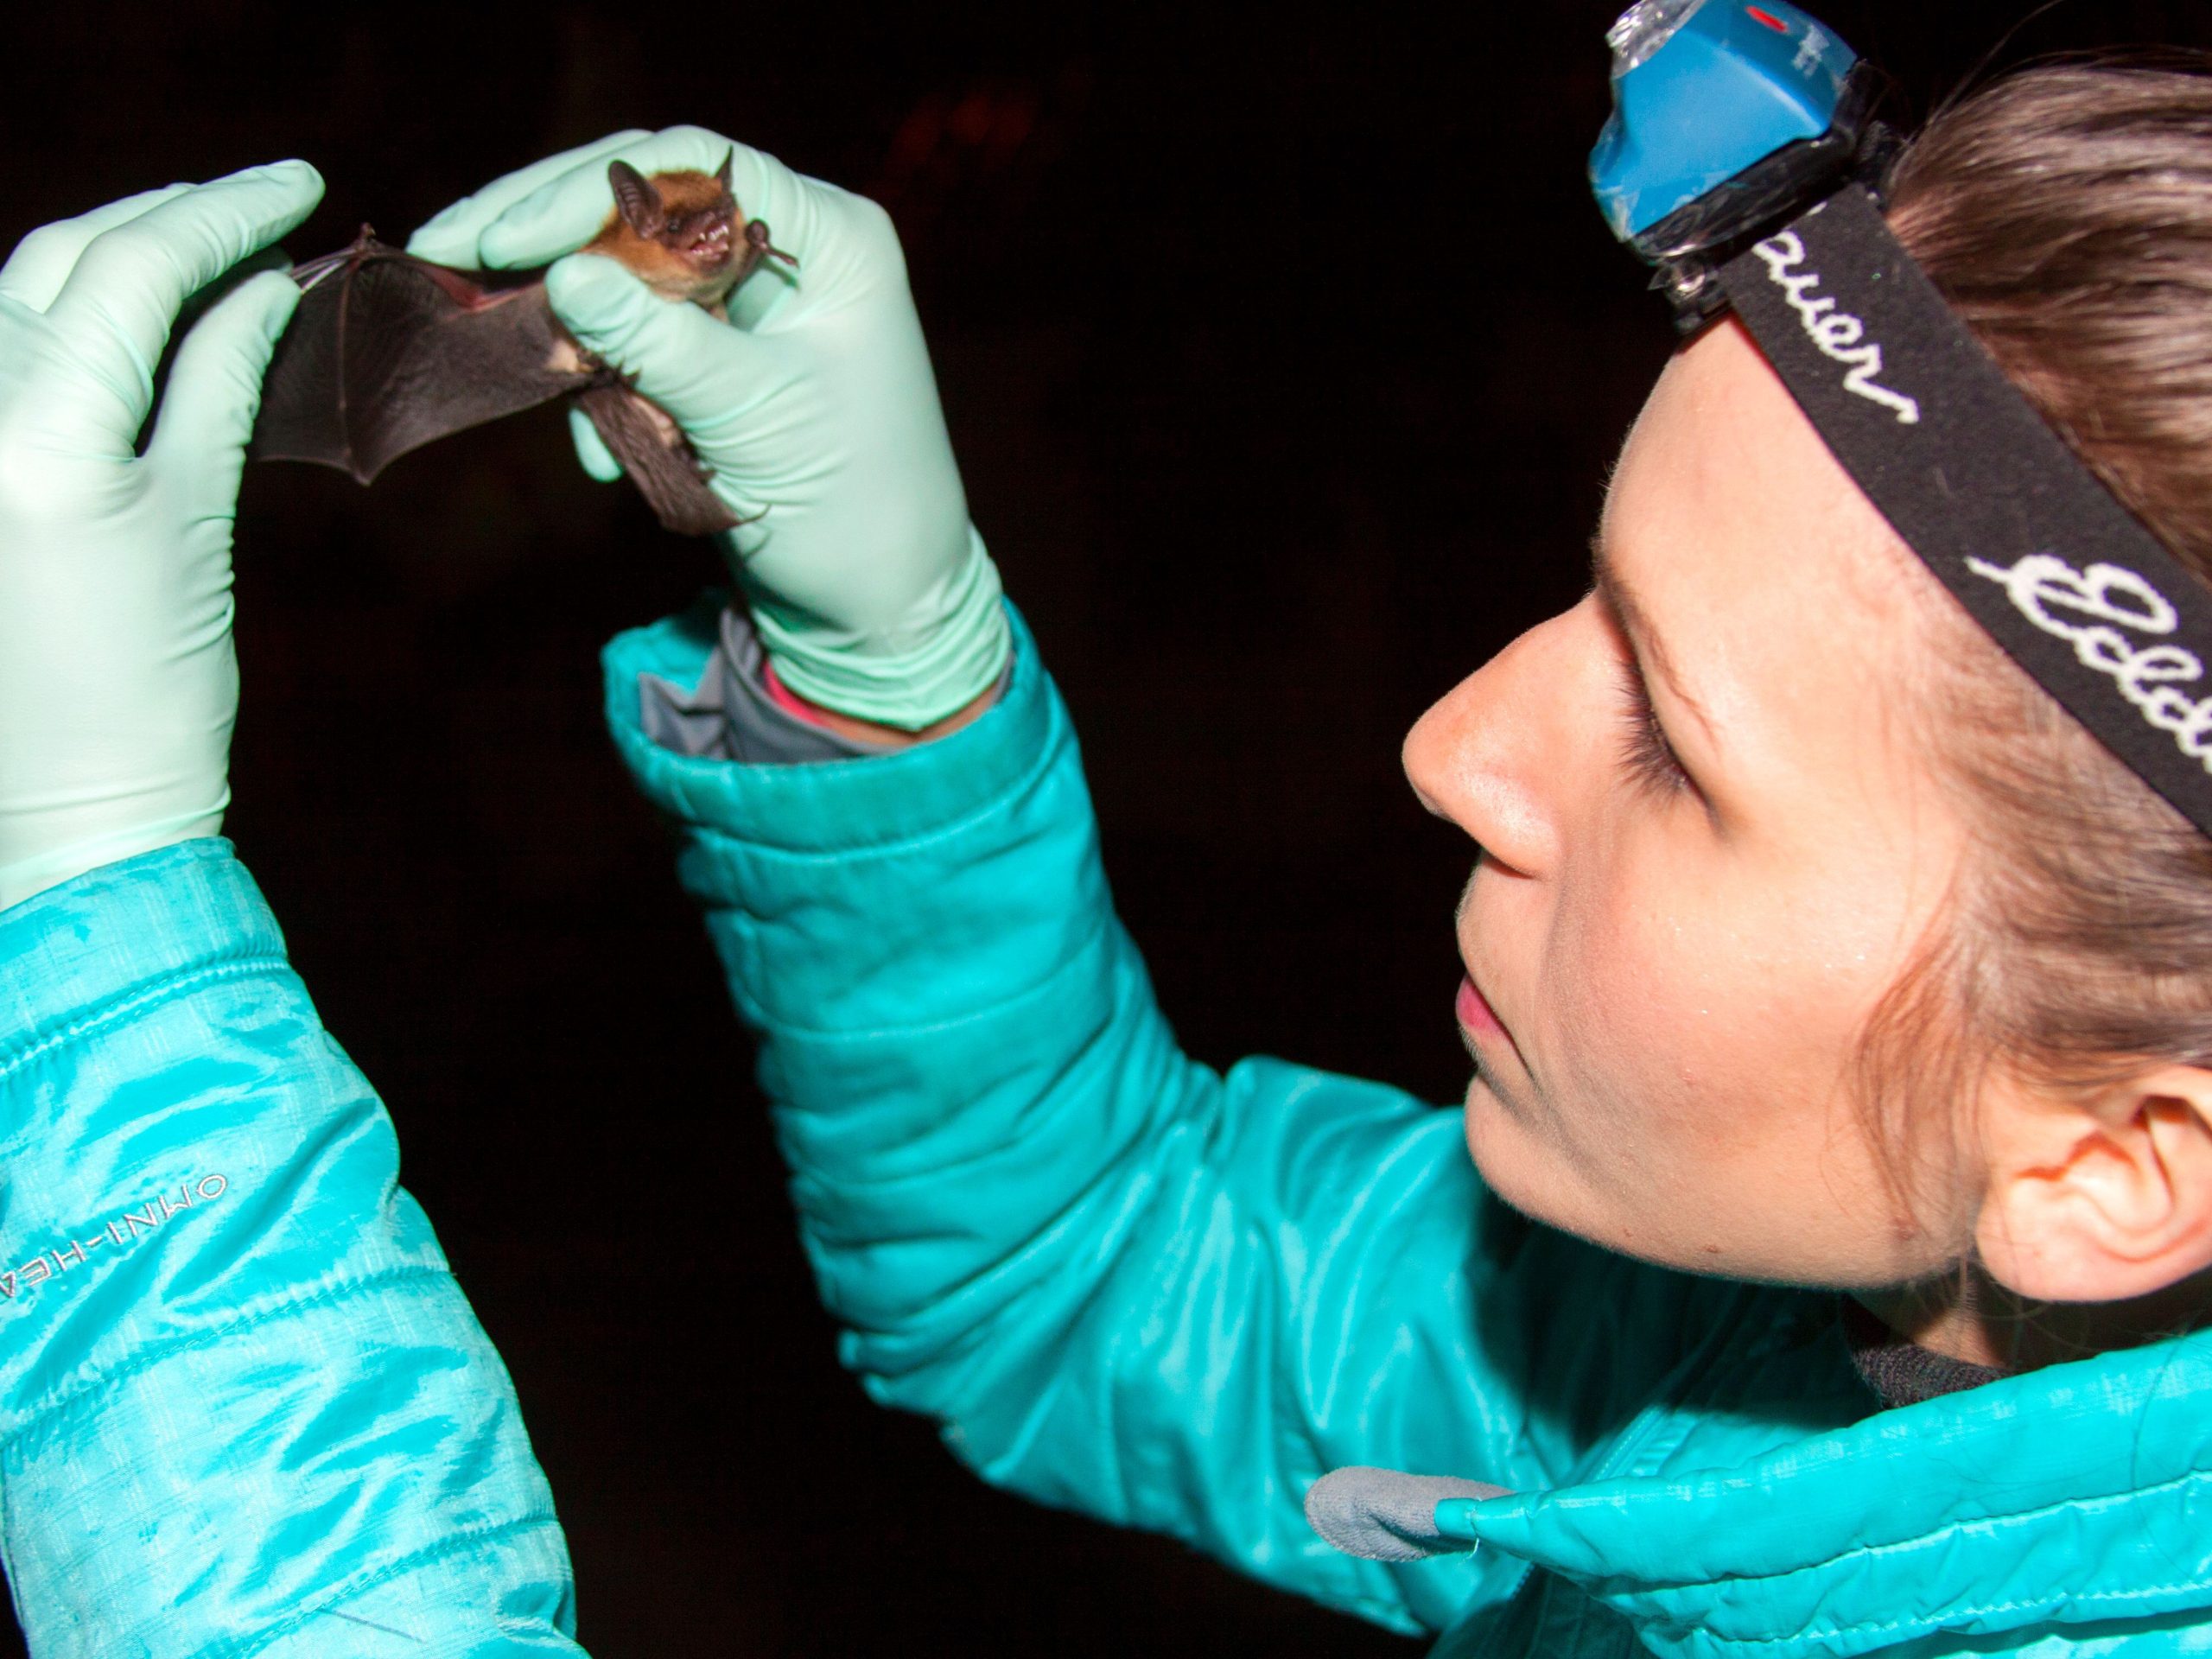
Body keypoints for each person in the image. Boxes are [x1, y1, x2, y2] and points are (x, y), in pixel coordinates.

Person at [3, 55, 2209, 1659]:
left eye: (1672, 746)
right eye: (1589, 596)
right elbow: (1095, 1262)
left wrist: (84, 943)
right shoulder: (1768, 1360)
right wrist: (886, 676)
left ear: (2120, 1161)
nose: (1447, 742)